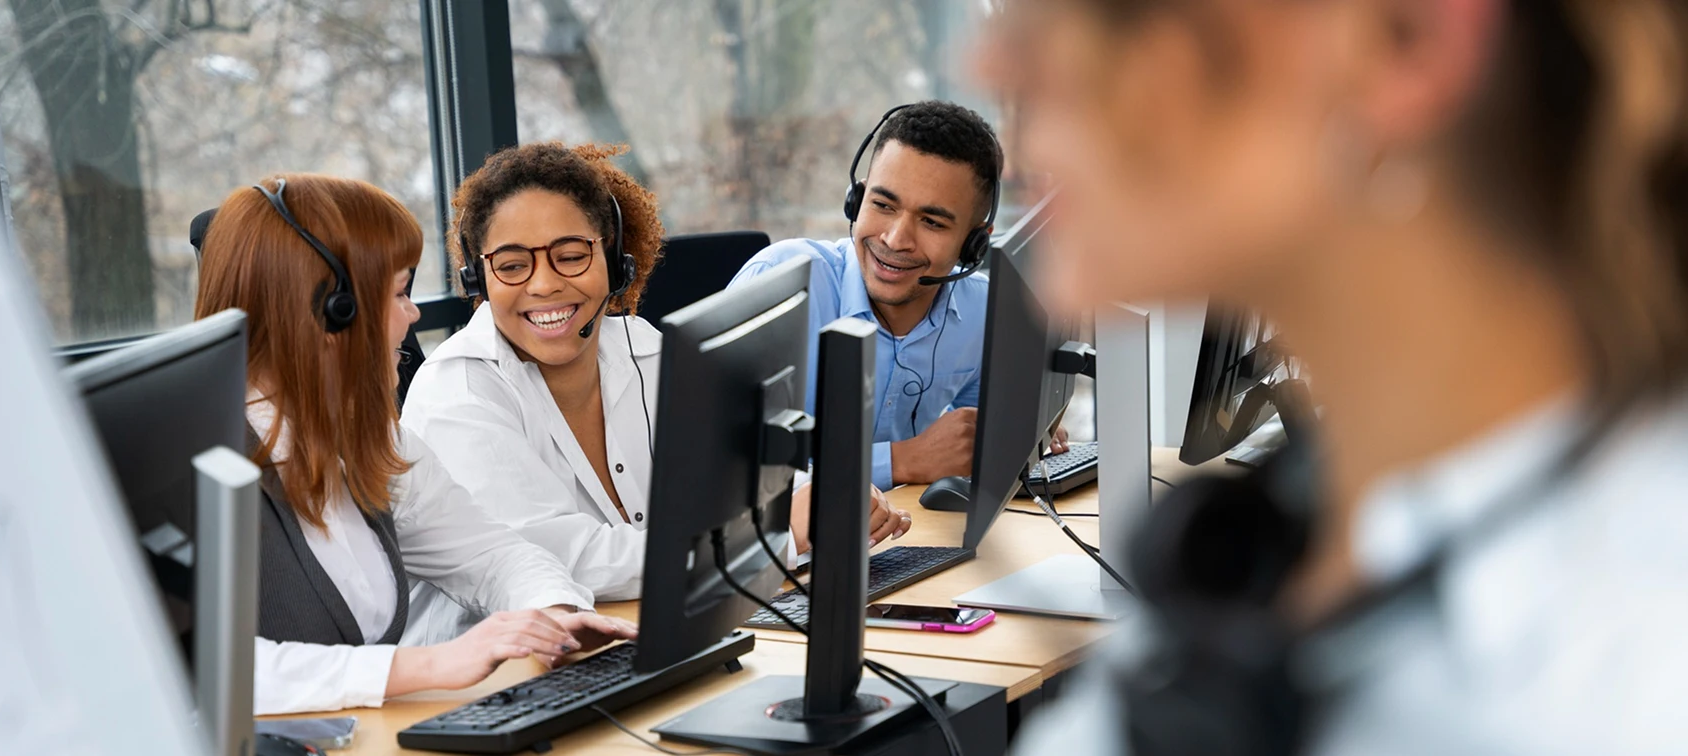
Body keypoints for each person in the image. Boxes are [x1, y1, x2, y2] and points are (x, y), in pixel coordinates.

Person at [978, 0, 1688, 753]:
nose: (992, 65)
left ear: (1400, 39)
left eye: (1090, 13)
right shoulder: (1266, 563)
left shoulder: (1626, 683)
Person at [397, 142, 908, 642]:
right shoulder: (457, 392)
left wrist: (817, 499)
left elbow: (748, 464)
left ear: (617, 263)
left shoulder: (642, 348)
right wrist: (768, 536)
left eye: (571, 256)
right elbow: (560, 557)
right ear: (478, 278)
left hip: (644, 633)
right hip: (493, 678)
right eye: (511, 266)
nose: (544, 284)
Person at [194, 174, 636, 716]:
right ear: (334, 310)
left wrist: (552, 614)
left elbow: (491, 554)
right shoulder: (198, 460)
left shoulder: (366, 436)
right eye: (400, 293)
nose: (414, 314)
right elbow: (192, 668)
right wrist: (433, 665)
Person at [729, 100, 1067, 492]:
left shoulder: (982, 314)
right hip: (791, 551)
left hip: (907, 539)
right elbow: (728, 471)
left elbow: (978, 441)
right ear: (856, 200)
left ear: (974, 243)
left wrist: (1020, 436)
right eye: (883, 205)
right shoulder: (778, 289)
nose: (895, 240)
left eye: (932, 222)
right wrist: (902, 460)